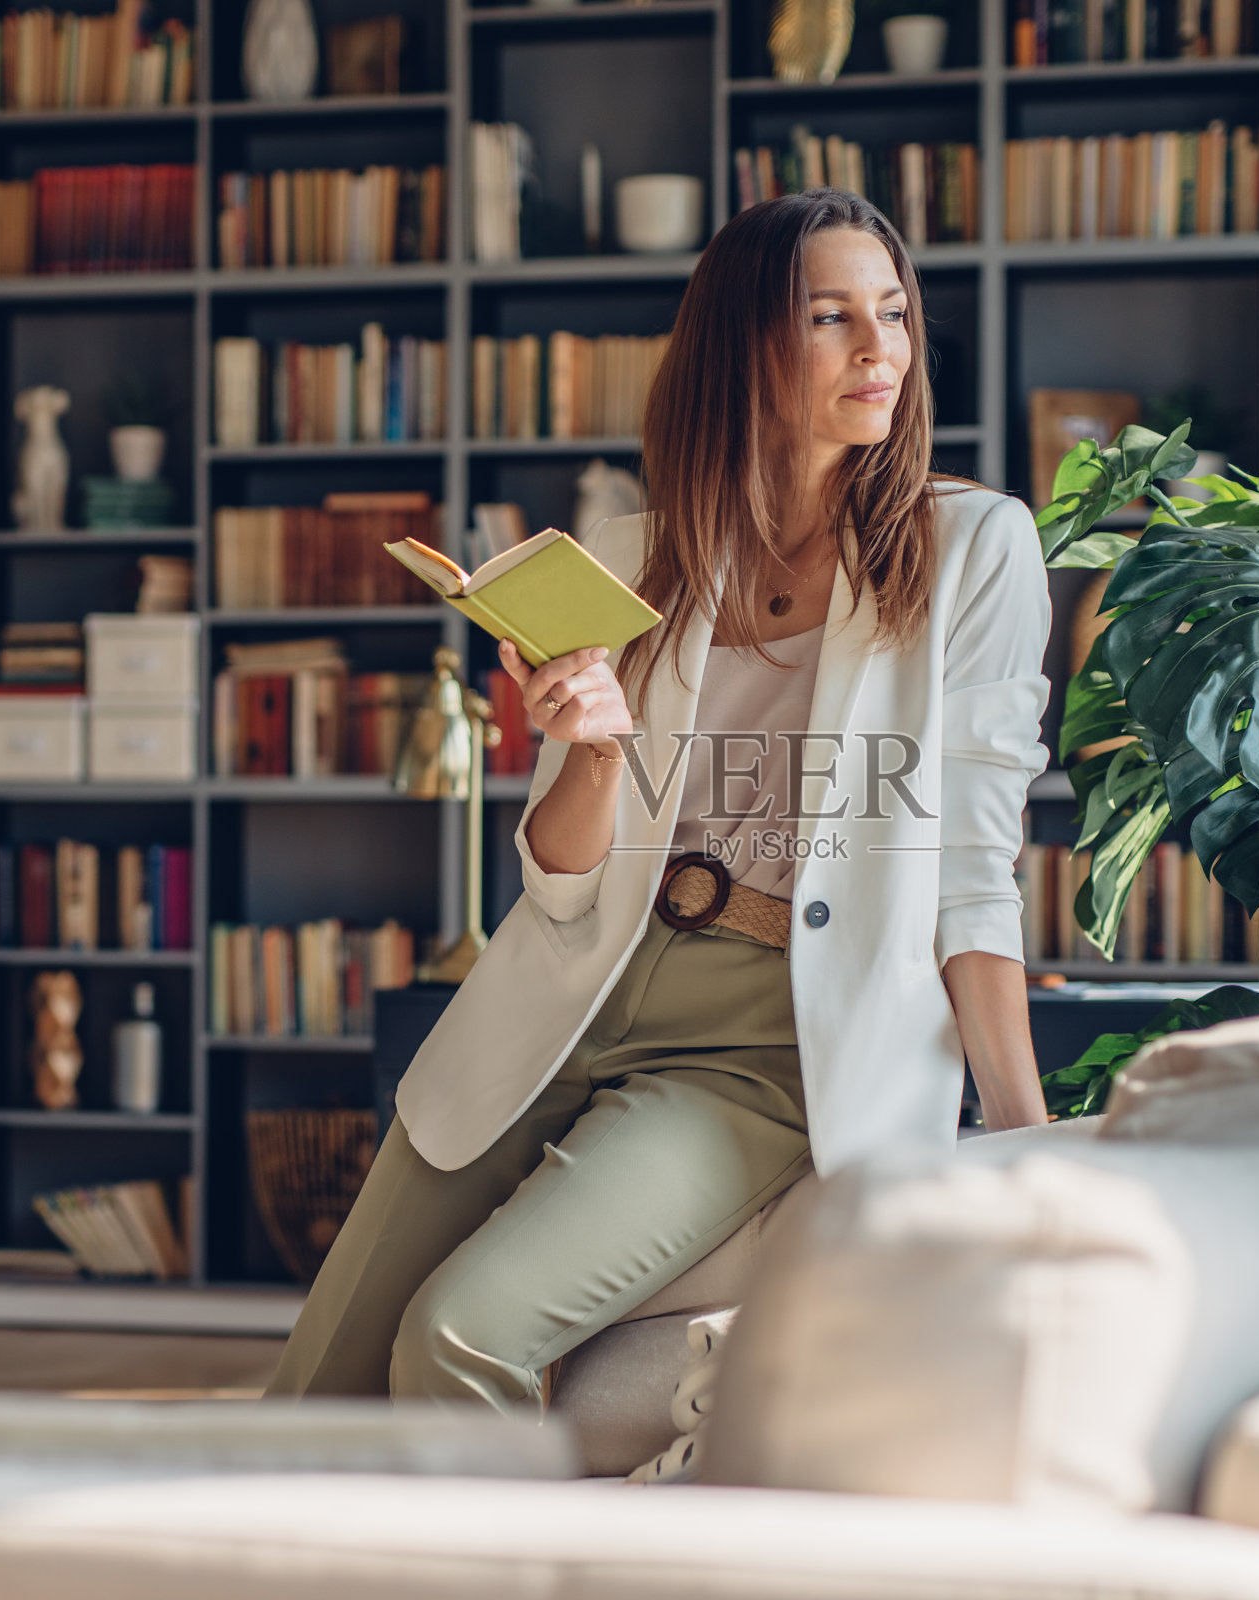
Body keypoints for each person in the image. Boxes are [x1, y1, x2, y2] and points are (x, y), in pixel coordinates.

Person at [265, 188, 1053, 1408]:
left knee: (455, 1338)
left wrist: (1020, 1138)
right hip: (569, 995)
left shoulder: (971, 549)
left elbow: (969, 861)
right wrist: (588, 745)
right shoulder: (632, 554)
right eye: (832, 318)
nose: (881, 350)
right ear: (745, 345)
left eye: (892, 314)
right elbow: (560, 880)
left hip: (765, 1039)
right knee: (318, 1377)